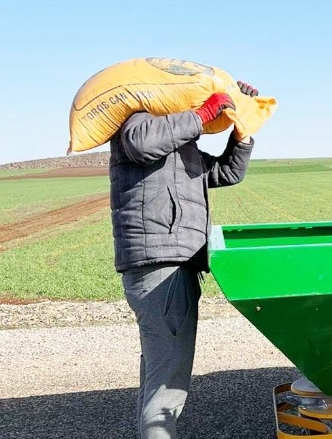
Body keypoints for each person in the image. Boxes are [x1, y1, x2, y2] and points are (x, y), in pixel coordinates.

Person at [110, 81, 260, 439]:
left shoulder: (180, 149)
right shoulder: (139, 122)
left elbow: (227, 173)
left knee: (161, 368)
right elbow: (141, 143)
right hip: (160, 265)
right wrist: (201, 114)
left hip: (173, 262)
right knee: (168, 381)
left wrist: (241, 133)